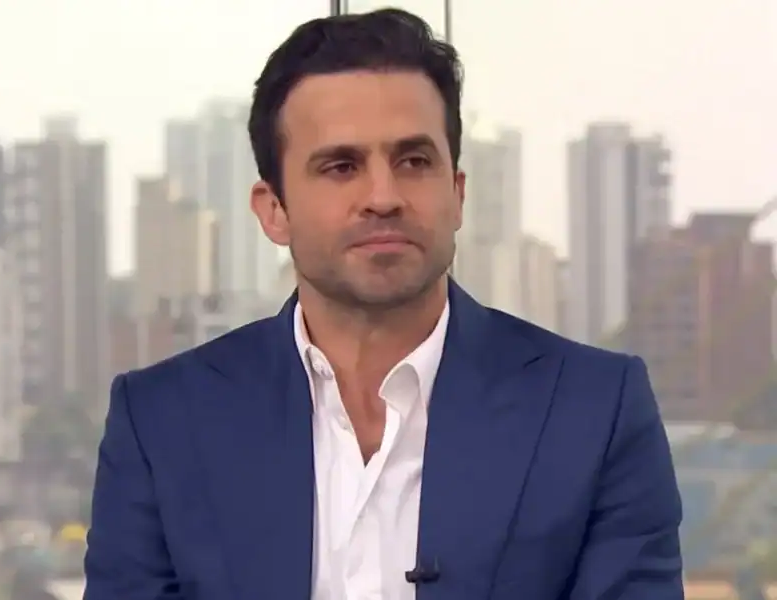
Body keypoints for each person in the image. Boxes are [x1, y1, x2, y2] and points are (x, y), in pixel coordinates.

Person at [84, 8, 684, 600]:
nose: (383, 196)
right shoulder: (162, 423)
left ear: (457, 194)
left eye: (414, 162)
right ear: (274, 211)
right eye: (341, 166)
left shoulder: (594, 411)